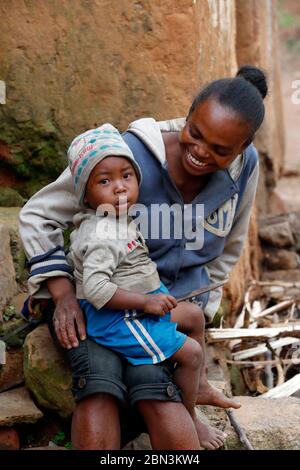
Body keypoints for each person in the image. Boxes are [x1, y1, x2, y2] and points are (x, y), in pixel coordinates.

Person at [19, 65, 268, 450]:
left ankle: (189, 406)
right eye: (195, 135)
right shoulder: (123, 157)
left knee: (155, 388)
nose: (201, 153)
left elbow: (228, 248)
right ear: (187, 116)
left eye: (220, 150)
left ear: (244, 146)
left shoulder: (243, 167)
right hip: (95, 304)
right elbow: (39, 214)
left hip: (156, 308)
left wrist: (189, 310)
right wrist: (64, 295)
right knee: (99, 382)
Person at [67, 122, 207, 444]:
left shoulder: (120, 217)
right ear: (86, 196)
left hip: (138, 304)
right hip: (117, 319)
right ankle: (191, 415)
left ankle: (198, 388)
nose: (119, 188)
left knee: (194, 316)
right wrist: (146, 303)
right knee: (192, 353)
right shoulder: (102, 232)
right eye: (105, 181)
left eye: (126, 176)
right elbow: (97, 290)